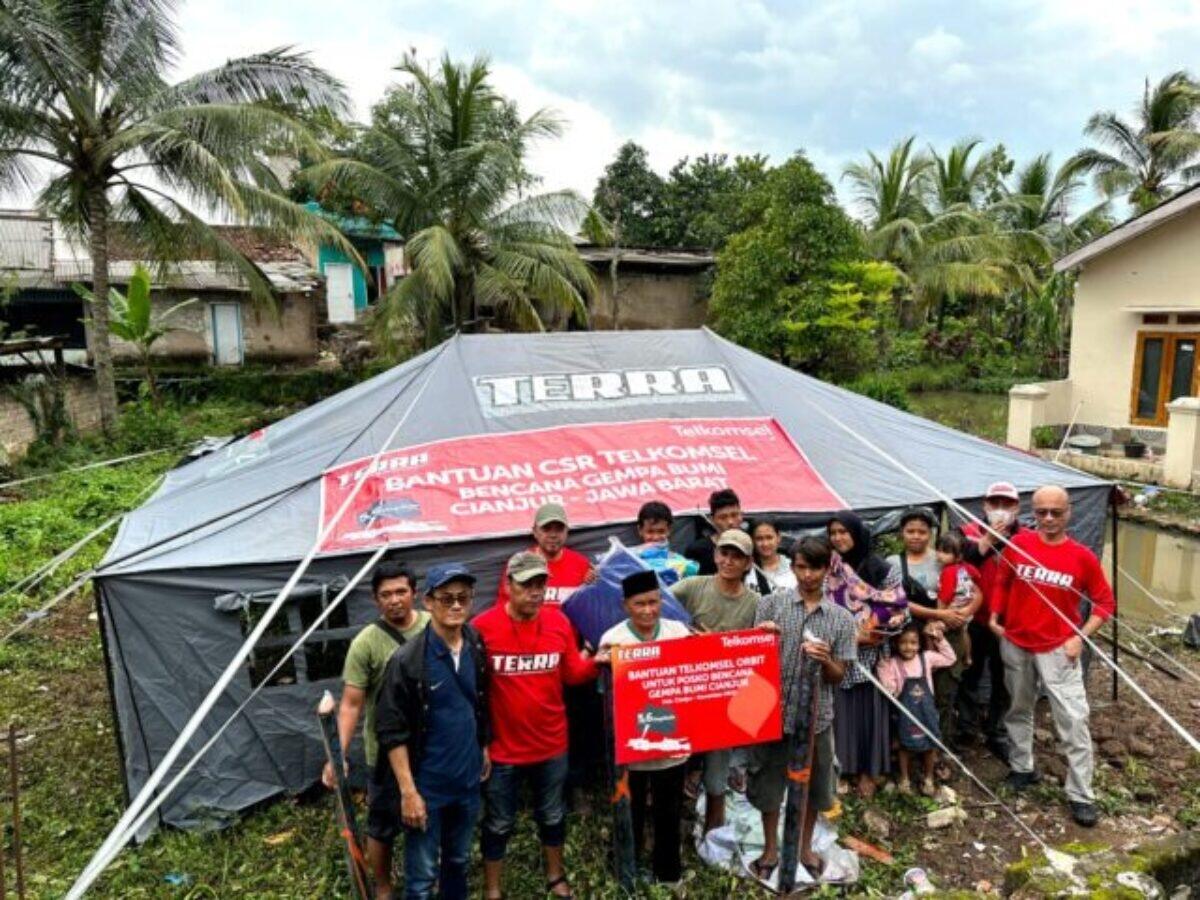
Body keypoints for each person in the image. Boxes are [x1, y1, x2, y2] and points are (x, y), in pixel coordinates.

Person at [473, 551, 602, 900]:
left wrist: (596, 660)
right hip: (503, 749)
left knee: (552, 813)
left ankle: (555, 875)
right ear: (508, 585)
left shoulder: (559, 623)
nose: (535, 591)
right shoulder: (482, 628)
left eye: (540, 584)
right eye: (526, 584)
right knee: (499, 821)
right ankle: (493, 888)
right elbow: (472, 688)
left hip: (551, 743)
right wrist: (479, 740)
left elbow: (573, 673)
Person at [989, 485, 1115, 827]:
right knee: (1018, 706)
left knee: (1072, 719)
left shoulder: (1082, 557)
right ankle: (1022, 767)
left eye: (1055, 513)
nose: (1047, 519)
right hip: (1016, 641)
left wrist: (1080, 637)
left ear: (1068, 513)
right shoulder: (1019, 544)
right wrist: (994, 615)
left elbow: (1105, 603)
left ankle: (1081, 794)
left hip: (1059, 647)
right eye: (1041, 512)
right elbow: (1002, 579)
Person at [375, 563, 490, 900]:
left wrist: (483, 746)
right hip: (429, 786)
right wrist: (409, 793)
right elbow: (391, 730)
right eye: (447, 598)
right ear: (428, 602)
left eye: (463, 598)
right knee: (423, 875)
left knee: (458, 860)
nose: (456, 606)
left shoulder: (474, 643)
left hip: (467, 782)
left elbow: (478, 702)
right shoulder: (408, 660)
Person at [747, 537, 856, 880]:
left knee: (812, 784)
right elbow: (749, 661)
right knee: (768, 784)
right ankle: (770, 847)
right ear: (792, 567)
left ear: (827, 570)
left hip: (817, 720)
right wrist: (761, 638)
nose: (807, 575)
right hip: (772, 714)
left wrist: (826, 661)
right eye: (800, 567)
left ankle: (805, 846)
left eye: (815, 567)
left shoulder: (841, 618)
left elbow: (840, 676)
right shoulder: (770, 605)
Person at [322, 563, 430, 900]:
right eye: (386, 594)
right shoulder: (366, 643)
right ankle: (383, 887)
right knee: (382, 826)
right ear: (375, 599)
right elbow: (351, 703)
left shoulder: (434, 625)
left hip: (431, 745)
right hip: (384, 751)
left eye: (401, 592)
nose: (395, 600)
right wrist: (336, 755)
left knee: (432, 816)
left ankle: (428, 876)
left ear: (415, 592)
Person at [598, 570, 693, 885]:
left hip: (672, 740)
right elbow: (604, 696)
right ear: (626, 605)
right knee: (631, 809)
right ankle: (626, 868)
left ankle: (667, 873)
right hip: (631, 746)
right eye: (640, 604)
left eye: (654, 602)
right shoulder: (613, 639)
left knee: (669, 809)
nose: (648, 610)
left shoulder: (678, 631)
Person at [670, 528, 758, 832]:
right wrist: (685, 633)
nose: (729, 561)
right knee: (674, 756)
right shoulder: (694, 587)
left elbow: (757, 652)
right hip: (687, 689)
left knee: (717, 768)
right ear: (715, 554)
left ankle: (714, 832)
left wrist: (720, 644)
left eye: (737, 556)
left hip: (725, 696)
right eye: (724, 553)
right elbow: (654, 605)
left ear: (748, 563)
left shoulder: (756, 603)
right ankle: (672, 823)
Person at [887, 506, 977, 749]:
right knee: (908, 691)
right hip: (907, 637)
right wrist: (939, 614)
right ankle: (907, 746)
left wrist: (963, 614)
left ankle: (940, 749)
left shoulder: (942, 559)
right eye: (910, 531)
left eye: (922, 531)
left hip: (946, 634)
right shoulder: (893, 563)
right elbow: (897, 601)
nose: (916, 536)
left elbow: (973, 592)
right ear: (901, 534)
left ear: (932, 534)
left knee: (944, 691)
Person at [827, 511, 899, 799]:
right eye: (833, 532)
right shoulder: (830, 568)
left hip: (871, 653)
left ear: (857, 533)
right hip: (840, 653)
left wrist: (872, 626)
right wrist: (847, 634)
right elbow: (821, 603)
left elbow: (897, 606)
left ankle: (870, 770)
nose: (838, 538)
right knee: (842, 713)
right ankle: (843, 769)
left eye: (844, 532)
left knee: (870, 712)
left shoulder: (880, 568)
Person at [958, 481, 1023, 761]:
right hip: (972, 620)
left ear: (1017, 508)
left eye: (1006, 504)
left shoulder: (1027, 538)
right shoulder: (966, 533)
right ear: (984, 506)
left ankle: (997, 732)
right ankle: (965, 730)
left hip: (1007, 622)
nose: (1000, 510)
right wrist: (986, 543)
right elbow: (955, 563)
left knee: (1004, 679)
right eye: (994, 503)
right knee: (969, 674)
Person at [877, 621, 957, 797]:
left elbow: (951, 658)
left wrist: (940, 639)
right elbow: (888, 688)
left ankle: (929, 778)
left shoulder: (926, 658)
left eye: (913, 642)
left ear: (919, 644)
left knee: (930, 745)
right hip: (905, 713)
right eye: (903, 642)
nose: (908, 647)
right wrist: (883, 666)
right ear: (897, 644)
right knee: (904, 746)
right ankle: (904, 779)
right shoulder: (892, 663)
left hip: (926, 712)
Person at [495, 502, 594, 606]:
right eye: (546, 529)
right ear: (535, 531)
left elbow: (591, 607)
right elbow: (504, 610)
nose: (553, 535)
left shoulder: (581, 564)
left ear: (567, 531)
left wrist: (594, 585)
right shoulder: (519, 565)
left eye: (559, 529)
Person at [935, 532, 981, 668]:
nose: (939, 554)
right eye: (938, 550)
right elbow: (977, 576)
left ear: (959, 555)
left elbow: (945, 595)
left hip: (953, 611)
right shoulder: (968, 567)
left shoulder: (948, 571)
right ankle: (968, 657)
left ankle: (937, 657)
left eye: (945, 552)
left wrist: (938, 614)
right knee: (964, 631)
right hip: (967, 610)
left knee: (933, 631)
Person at [633, 501, 698, 583]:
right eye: (650, 531)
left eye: (661, 531)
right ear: (640, 530)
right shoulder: (632, 561)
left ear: (669, 530)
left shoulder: (681, 563)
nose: (656, 537)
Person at [683, 488, 744, 575]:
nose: (730, 522)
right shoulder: (697, 550)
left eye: (734, 515)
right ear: (712, 520)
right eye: (723, 517)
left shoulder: (750, 546)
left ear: (741, 515)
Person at [746, 518, 797, 594]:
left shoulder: (794, 568)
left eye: (769, 538)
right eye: (759, 539)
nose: (765, 544)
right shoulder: (745, 569)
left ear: (778, 538)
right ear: (752, 540)